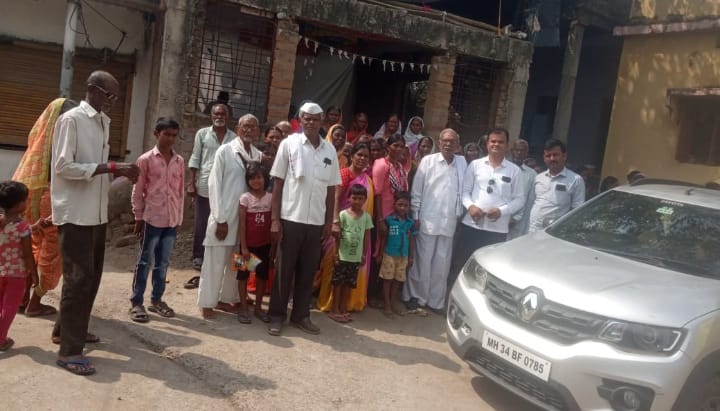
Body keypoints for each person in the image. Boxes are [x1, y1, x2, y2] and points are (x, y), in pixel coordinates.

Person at [51, 70, 139, 375]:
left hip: (96, 213)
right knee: (78, 280)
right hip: (75, 213)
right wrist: (111, 167)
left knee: (91, 277)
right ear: (92, 89)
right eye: (109, 95)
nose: (112, 101)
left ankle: (68, 330)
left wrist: (116, 172)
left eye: (116, 96)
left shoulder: (103, 121)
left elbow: (94, 168)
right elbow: (63, 166)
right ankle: (69, 352)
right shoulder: (72, 120)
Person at [267, 102, 341, 336]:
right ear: (300, 120)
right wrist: (275, 220)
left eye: (315, 119)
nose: (311, 122)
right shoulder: (289, 144)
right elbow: (278, 183)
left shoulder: (330, 150)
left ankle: (301, 316)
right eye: (307, 118)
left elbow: (331, 189)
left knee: (308, 272)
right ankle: (276, 316)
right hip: (290, 218)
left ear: (322, 121)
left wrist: (328, 222)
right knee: (284, 271)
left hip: (316, 223)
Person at [11, 98, 77, 317]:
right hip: (53, 196)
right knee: (53, 251)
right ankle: (35, 303)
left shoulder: (40, 140)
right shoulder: (67, 139)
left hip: (31, 194)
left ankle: (22, 299)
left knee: (32, 246)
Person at [197, 115, 256, 319]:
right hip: (224, 218)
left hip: (244, 223)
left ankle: (227, 298)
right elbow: (213, 185)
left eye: (253, 127)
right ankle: (206, 303)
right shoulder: (225, 151)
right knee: (214, 263)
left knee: (236, 264)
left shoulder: (256, 155)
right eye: (245, 126)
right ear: (238, 128)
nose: (248, 130)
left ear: (257, 131)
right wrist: (220, 219)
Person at [404, 129, 466, 314]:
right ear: (439, 143)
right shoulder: (428, 161)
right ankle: (416, 297)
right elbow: (417, 190)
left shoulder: (462, 163)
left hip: (449, 222)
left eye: (452, 141)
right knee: (422, 261)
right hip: (427, 219)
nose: (448, 144)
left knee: (442, 265)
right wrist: (415, 215)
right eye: (445, 140)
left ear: (458, 145)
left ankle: (435, 301)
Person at [128, 117, 184, 323]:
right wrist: (138, 217)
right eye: (166, 134)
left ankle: (157, 299)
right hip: (151, 219)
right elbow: (138, 190)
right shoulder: (145, 160)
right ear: (156, 134)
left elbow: (180, 192)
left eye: (173, 135)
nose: (170, 139)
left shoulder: (179, 161)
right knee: (144, 262)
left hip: (171, 220)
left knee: (163, 263)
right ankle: (136, 302)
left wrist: (179, 217)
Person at [455, 128, 525, 271]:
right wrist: (471, 207)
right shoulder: (475, 165)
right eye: (493, 141)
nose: (496, 144)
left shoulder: (514, 170)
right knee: (463, 264)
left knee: (487, 268)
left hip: (497, 229)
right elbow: (465, 192)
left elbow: (520, 200)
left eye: (500, 142)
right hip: (472, 225)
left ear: (507, 145)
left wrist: (501, 211)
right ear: (487, 144)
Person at [317, 143, 374, 313]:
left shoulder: (367, 179)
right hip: (341, 227)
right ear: (352, 156)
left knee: (350, 272)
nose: (362, 158)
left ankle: (348, 304)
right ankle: (329, 303)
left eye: (366, 156)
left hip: (358, 231)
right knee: (334, 266)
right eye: (359, 155)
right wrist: (335, 222)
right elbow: (335, 198)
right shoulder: (344, 173)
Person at [185, 104, 235, 287]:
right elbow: (195, 158)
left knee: (223, 221)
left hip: (226, 187)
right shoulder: (202, 134)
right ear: (211, 116)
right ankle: (199, 256)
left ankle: (221, 259)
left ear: (228, 117)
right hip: (205, 184)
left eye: (223, 114)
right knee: (202, 221)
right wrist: (191, 182)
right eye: (216, 114)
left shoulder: (234, 138)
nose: (219, 116)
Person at [0, 181, 39, 351]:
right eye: (25, 200)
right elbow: (28, 254)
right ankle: (1, 339)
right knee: (9, 307)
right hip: (16, 275)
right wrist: (35, 274)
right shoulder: (23, 227)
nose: (27, 202)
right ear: (18, 205)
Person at [328, 184, 373, 322]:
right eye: (354, 198)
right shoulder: (343, 215)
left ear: (365, 199)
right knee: (338, 284)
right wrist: (335, 254)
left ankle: (343, 308)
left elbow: (366, 238)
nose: (357, 201)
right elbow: (336, 238)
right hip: (342, 256)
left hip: (355, 258)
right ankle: (334, 309)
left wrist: (363, 254)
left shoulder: (366, 217)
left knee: (348, 284)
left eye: (360, 198)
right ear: (349, 198)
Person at [236, 163, 274, 324]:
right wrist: (244, 247)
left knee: (262, 277)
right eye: (252, 178)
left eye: (259, 177)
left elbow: (273, 222)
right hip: (247, 247)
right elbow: (242, 224)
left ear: (265, 178)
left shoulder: (270, 198)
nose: (256, 181)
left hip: (264, 246)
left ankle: (258, 308)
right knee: (243, 276)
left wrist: (273, 247)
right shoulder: (245, 198)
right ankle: (243, 308)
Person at [529, 139, 585, 232]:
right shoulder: (538, 177)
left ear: (564, 156)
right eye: (548, 156)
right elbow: (532, 202)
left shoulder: (576, 180)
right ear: (544, 158)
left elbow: (577, 210)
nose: (552, 159)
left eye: (555, 155)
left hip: (554, 232)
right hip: (533, 230)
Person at [376, 191, 416, 318]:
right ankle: (387, 304)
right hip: (389, 254)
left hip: (403, 256)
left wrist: (411, 257)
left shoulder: (410, 223)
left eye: (405, 205)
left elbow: (412, 240)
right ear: (394, 205)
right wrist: (380, 254)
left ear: (409, 207)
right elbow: (384, 238)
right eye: (400, 205)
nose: (402, 208)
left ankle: (392, 302)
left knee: (397, 280)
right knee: (387, 279)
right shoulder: (389, 220)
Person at [507, 139, 537, 240]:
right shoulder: (503, 169)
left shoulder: (532, 174)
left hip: (518, 223)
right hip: (499, 217)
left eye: (522, 150)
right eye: (517, 150)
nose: (519, 153)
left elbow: (529, 200)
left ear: (526, 153)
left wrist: (516, 218)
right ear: (512, 151)